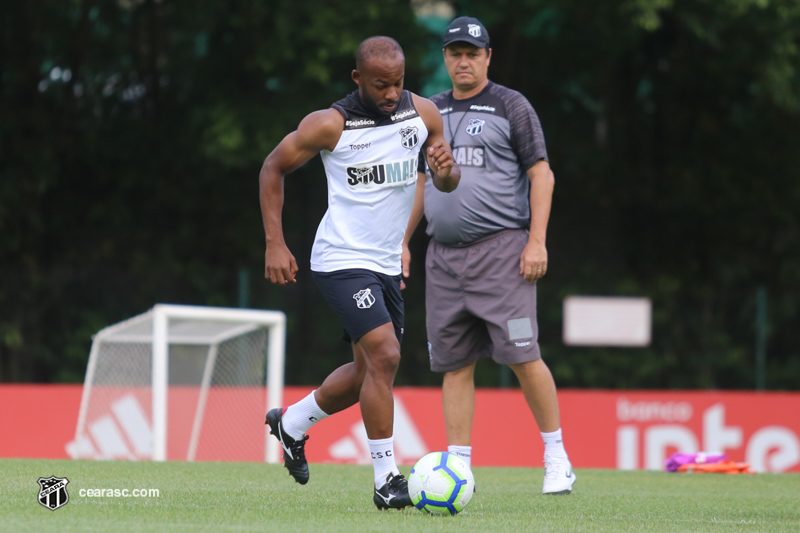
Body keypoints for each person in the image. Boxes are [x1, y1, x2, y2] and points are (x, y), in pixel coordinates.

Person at [259, 36, 460, 510]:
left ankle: (291, 423)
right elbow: (273, 167)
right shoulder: (332, 124)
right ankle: (387, 480)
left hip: (386, 264)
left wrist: (447, 170)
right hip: (341, 261)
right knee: (386, 356)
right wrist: (274, 242)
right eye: (380, 85)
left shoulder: (424, 114)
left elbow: (445, 182)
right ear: (358, 79)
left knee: (366, 372)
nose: (391, 94)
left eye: (398, 83)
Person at [403, 16, 576, 495]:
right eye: (455, 52)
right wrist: (402, 242)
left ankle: (556, 455)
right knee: (454, 364)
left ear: (487, 57)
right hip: (442, 258)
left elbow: (541, 175)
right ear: (445, 57)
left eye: (472, 53)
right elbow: (421, 182)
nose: (463, 60)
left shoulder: (510, 105)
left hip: (502, 252)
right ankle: (459, 468)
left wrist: (536, 241)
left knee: (523, 355)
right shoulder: (430, 110)